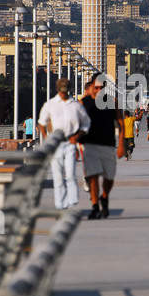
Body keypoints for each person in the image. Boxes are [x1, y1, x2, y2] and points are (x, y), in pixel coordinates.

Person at [38, 78, 91, 210]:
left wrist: (77, 136)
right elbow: (41, 123)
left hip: (69, 143)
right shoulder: (50, 105)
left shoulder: (76, 105)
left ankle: (72, 203)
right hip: (55, 144)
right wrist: (47, 139)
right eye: (61, 91)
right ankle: (60, 205)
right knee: (58, 176)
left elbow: (86, 124)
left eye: (65, 91)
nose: (63, 93)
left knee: (71, 174)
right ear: (57, 90)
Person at [80, 74, 125, 220]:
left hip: (108, 144)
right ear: (91, 87)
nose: (99, 90)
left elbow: (121, 123)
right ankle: (94, 206)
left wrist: (121, 145)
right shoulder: (82, 103)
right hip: (90, 144)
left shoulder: (113, 101)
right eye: (96, 88)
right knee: (92, 176)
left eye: (101, 88)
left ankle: (104, 197)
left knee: (109, 177)